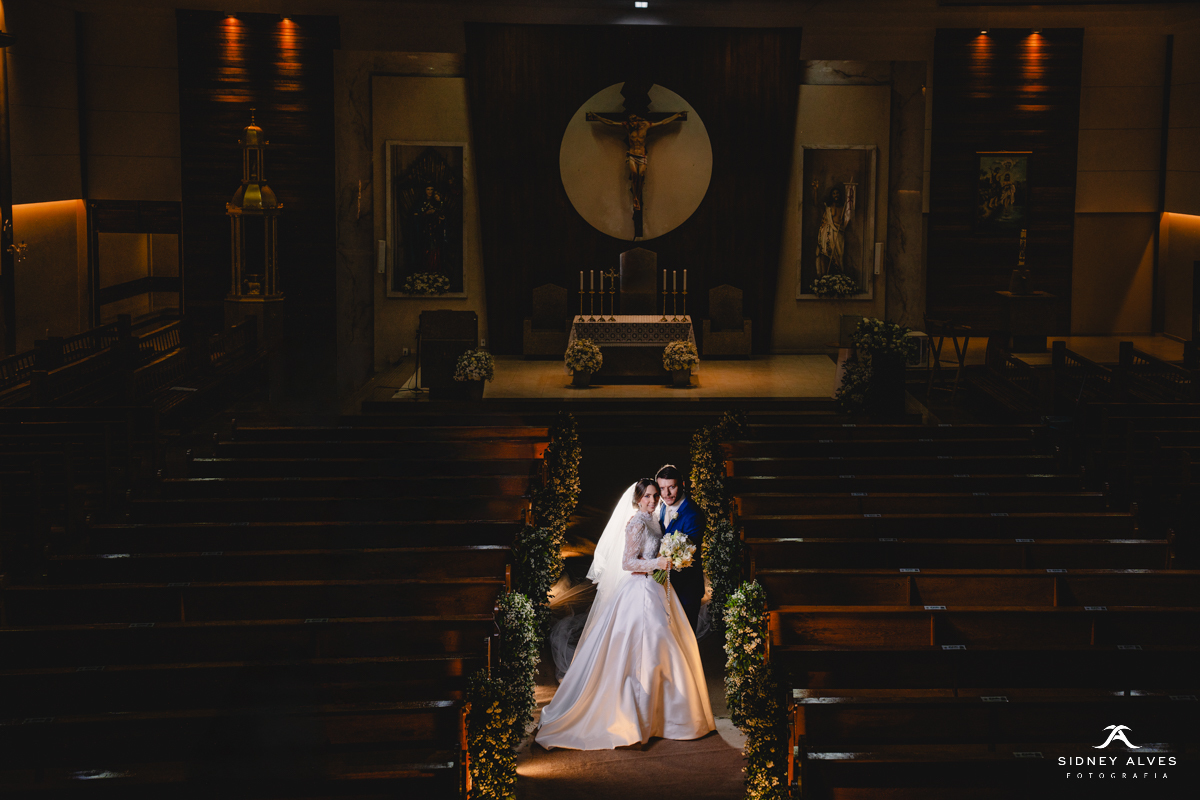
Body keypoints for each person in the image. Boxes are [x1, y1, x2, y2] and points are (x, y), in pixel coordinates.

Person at [534, 479, 715, 750]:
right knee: (643, 648)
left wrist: (670, 559)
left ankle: (664, 716)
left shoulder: (653, 520)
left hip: (655, 587)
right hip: (638, 591)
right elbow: (628, 563)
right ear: (638, 499)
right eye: (648, 497)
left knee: (665, 648)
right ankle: (635, 718)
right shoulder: (636, 523)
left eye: (655, 496)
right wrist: (659, 562)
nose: (653, 500)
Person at [655, 464, 705, 631]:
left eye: (672, 487)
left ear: (682, 485)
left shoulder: (693, 514)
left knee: (685, 637)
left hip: (686, 589)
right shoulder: (662, 506)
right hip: (666, 588)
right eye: (662, 488)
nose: (666, 494)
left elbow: (688, 554)